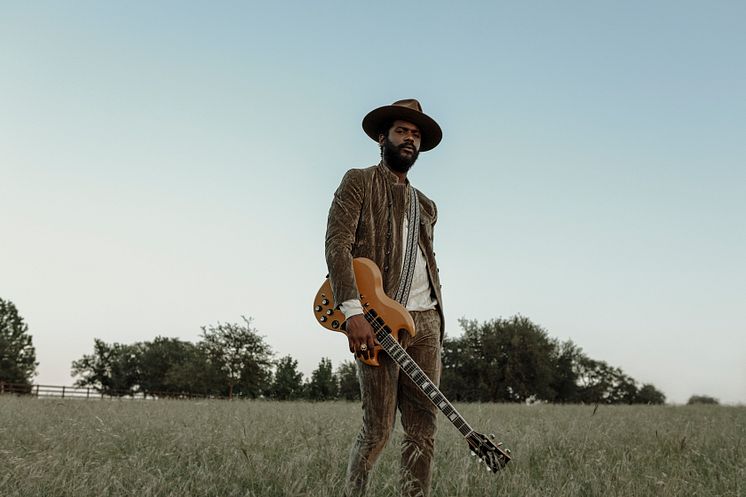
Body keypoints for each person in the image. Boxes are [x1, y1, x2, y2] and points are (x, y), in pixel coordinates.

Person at [325, 99, 445, 497]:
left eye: (415, 135)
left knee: (422, 431)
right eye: (401, 131)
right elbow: (337, 246)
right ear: (382, 138)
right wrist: (353, 312)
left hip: (425, 320)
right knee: (377, 430)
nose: (409, 139)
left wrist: (437, 319)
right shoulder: (358, 181)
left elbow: (428, 261)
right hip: (375, 319)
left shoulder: (426, 204)